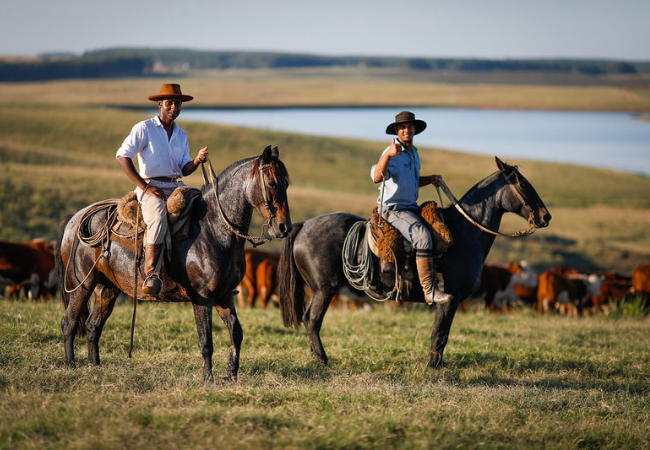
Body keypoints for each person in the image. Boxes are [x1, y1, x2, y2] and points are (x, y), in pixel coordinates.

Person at [116, 84, 209, 296]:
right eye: (169, 103)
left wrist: (196, 160)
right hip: (150, 187)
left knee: (204, 208)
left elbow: (184, 169)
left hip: (176, 186)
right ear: (160, 104)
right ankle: (151, 274)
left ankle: (209, 273)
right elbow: (122, 156)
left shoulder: (181, 134)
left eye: (177, 104)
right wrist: (145, 187)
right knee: (158, 217)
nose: (174, 107)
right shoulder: (144, 128)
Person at [370, 111, 452, 304]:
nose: (407, 130)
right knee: (422, 237)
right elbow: (376, 177)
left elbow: (411, 181)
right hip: (393, 209)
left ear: (415, 129)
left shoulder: (414, 152)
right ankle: (429, 290)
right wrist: (389, 155)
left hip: (410, 208)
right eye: (403, 127)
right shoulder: (391, 152)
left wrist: (429, 180)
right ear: (397, 130)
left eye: (410, 126)